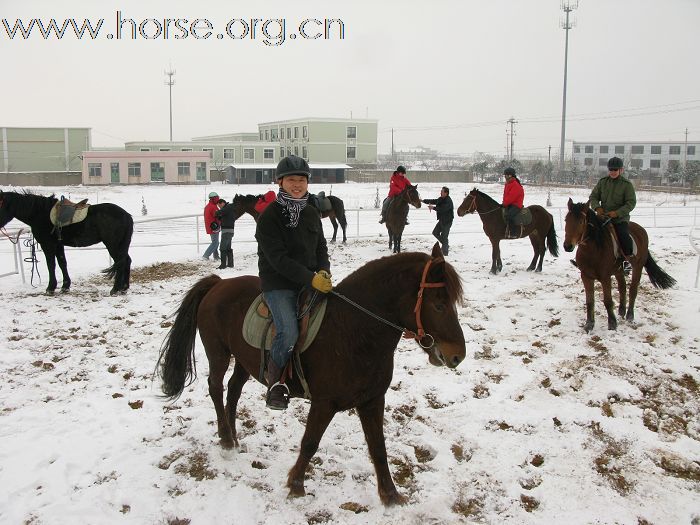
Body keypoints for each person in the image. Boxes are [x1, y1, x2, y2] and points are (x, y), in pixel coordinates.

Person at [255, 155, 332, 410]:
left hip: (311, 280)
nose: (297, 184)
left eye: (301, 179)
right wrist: (310, 278)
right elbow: (278, 259)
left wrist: (324, 271)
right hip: (279, 283)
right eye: (291, 180)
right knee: (288, 331)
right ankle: (276, 383)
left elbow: (321, 246)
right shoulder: (269, 216)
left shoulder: (311, 212)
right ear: (280, 182)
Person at [589, 156, 637, 273]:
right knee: (588, 231)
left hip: (619, 219)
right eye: (611, 169)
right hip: (603, 217)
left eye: (615, 170)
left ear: (621, 170)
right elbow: (593, 197)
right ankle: (585, 259)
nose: (613, 172)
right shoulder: (602, 182)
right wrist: (597, 207)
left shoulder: (627, 185)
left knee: (623, 235)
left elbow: (631, 203)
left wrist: (617, 213)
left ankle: (627, 260)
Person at [422, 186, 454, 255]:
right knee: (435, 232)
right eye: (441, 191)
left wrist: (433, 208)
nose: (440, 193)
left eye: (442, 192)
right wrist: (423, 201)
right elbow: (433, 201)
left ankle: (445, 253)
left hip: (447, 221)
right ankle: (445, 245)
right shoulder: (441, 199)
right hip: (442, 220)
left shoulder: (448, 201)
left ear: (446, 193)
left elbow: (442, 209)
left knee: (444, 237)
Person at [502, 167, 524, 239]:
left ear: (511, 176)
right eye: (505, 175)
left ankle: (513, 233)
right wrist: (503, 203)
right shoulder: (508, 184)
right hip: (509, 204)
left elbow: (511, 197)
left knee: (509, 215)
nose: (506, 177)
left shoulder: (515, 185)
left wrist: (504, 203)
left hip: (516, 204)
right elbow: (506, 195)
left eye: (507, 175)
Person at [214, 199, 236, 269]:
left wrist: (217, 212)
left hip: (226, 231)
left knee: (222, 248)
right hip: (230, 230)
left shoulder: (228, 207)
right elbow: (225, 217)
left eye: (219, 205)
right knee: (228, 248)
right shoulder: (229, 208)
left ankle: (223, 265)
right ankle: (230, 264)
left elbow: (220, 212)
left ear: (222, 203)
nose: (219, 207)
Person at [203, 191, 221, 260]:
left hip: (210, 227)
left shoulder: (207, 206)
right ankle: (206, 255)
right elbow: (218, 216)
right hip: (214, 227)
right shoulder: (213, 207)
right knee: (215, 243)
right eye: (216, 198)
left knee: (215, 242)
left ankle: (216, 256)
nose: (218, 199)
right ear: (213, 199)